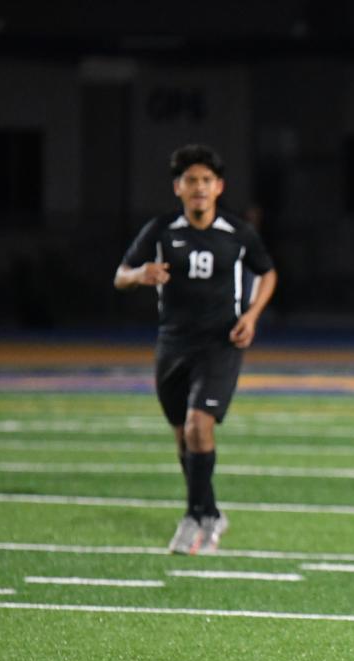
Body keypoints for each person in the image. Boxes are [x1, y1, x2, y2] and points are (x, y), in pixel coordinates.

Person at [114, 144, 278, 555]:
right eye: (191, 180)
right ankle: (210, 512)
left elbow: (268, 272)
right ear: (178, 187)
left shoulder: (238, 232)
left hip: (220, 343)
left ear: (219, 186)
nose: (199, 187)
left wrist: (252, 316)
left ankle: (192, 518)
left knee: (198, 426)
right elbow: (120, 275)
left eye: (206, 180)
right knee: (182, 439)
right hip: (173, 344)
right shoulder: (161, 229)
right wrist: (140, 275)